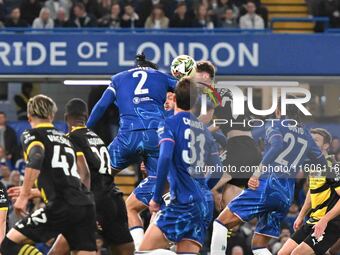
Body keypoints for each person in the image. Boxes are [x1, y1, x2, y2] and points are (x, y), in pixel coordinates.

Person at [210, 98, 328, 255]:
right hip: (286, 195)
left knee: (220, 224)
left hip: (268, 185)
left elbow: (277, 145)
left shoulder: (275, 124)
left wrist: (257, 173)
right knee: (259, 246)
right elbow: (321, 162)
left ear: (279, 110)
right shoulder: (306, 135)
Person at [87, 53, 177, 250]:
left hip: (127, 137)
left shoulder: (119, 78)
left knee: (98, 174)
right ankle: (159, 238)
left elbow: (101, 106)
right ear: (152, 67)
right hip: (155, 136)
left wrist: (84, 130)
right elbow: (187, 94)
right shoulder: (161, 76)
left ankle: (93, 216)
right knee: (161, 186)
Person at [0, 94, 97, 255]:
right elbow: (84, 173)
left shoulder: (32, 134)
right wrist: (35, 192)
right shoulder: (66, 139)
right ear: (52, 115)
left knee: (8, 244)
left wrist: (24, 196)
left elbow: (36, 156)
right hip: (86, 204)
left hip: (60, 205)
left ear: (29, 116)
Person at [138, 77, 219, 255]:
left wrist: (156, 198)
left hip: (182, 202)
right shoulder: (205, 130)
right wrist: (204, 188)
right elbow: (218, 170)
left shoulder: (169, 124)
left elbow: (165, 157)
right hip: (202, 203)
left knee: (143, 252)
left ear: (174, 98)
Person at [47, 98, 134, 255]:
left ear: (66, 117)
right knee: (125, 250)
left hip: (95, 201)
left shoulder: (70, 138)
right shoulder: (97, 139)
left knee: (57, 252)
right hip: (115, 200)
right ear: (86, 117)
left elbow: (84, 173)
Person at [278, 128, 340, 255]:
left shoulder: (332, 166)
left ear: (326, 145)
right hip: (313, 220)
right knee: (282, 253)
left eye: (315, 140)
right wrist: (301, 215)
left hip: (330, 223)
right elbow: (312, 192)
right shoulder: (313, 165)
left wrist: (325, 220)